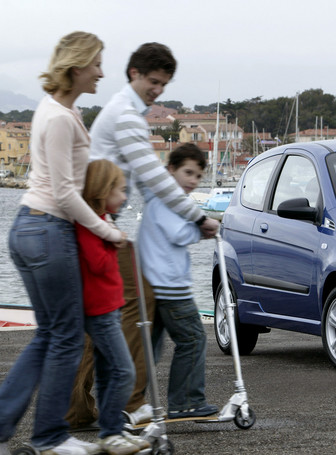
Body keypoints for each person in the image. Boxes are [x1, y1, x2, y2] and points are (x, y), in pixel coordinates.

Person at [66, 42, 219, 428]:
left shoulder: (123, 111)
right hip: (101, 223)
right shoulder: (126, 116)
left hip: (102, 222)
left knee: (104, 318)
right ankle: (129, 404)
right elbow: (155, 177)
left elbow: (146, 181)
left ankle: (80, 406)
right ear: (133, 72)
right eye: (153, 82)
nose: (157, 91)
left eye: (163, 85)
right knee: (136, 309)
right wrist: (198, 218)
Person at [0, 32, 124, 455]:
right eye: (96, 65)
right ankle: (50, 437)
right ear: (76, 67)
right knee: (68, 336)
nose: (101, 73)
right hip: (47, 230)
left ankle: (7, 425)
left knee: (51, 334)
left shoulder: (59, 112)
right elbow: (66, 193)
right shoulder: (56, 117)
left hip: (32, 230)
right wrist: (107, 231)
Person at [76, 160, 150, 455]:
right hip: (100, 311)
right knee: (122, 371)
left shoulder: (102, 220)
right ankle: (112, 432)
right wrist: (114, 239)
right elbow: (97, 263)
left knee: (112, 372)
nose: (124, 196)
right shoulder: (93, 226)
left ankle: (112, 432)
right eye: (120, 190)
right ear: (103, 192)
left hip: (110, 308)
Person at [139, 144, 217, 418]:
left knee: (151, 347)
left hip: (157, 283)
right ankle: (186, 401)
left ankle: (133, 404)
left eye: (197, 176)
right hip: (169, 286)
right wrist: (202, 229)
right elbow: (178, 234)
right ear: (170, 170)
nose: (193, 181)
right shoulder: (164, 200)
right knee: (193, 338)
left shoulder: (158, 199)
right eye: (188, 172)